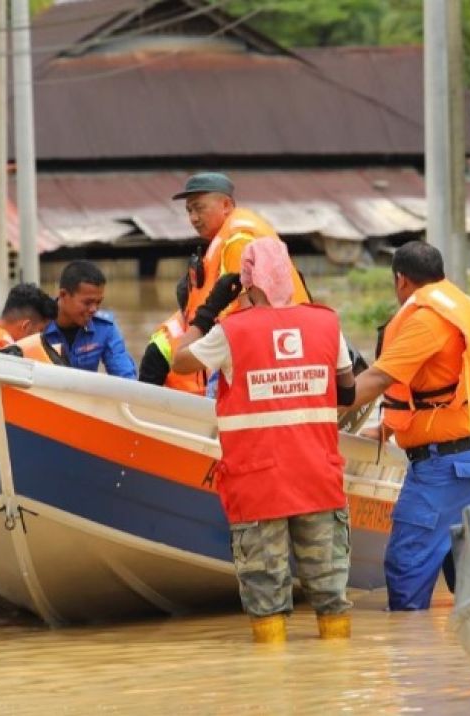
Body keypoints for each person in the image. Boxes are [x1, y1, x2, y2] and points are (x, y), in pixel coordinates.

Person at [171, 238, 356, 643]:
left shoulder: (231, 332)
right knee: (330, 594)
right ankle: (339, 678)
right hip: (318, 477)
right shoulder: (327, 323)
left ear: (248, 282)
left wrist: (206, 312)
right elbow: (347, 392)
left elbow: (179, 361)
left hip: (258, 484)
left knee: (265, 595)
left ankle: (272, 688)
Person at [347, 241, 470, 611]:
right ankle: (458, 662)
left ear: (401, 280)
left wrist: (313, 407)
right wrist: (386, 428)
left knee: (406, 569)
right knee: (467, 580)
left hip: (444, 470)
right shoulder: (469, 309)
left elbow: (377, 380)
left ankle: (413, 661)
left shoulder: (425, 320)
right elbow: (437, 387)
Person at [173, 172, 311, 325]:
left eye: (199, 208)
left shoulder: (238, 241)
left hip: (281, 335)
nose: (193, 218)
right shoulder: (229, 236)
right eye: (189, 211)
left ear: (226, 205)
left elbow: (242, 311)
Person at [40, 260, 137, 378]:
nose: (94, 309)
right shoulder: (37, 326)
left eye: (98, 302)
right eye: (87, 302)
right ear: (63, 295)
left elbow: (125, 376)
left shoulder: (104, 327)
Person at [138, 276, 206, 394]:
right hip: (180, 409)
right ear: (186, 312)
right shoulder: (161, 346)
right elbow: (144, 402)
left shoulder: (230, 330)